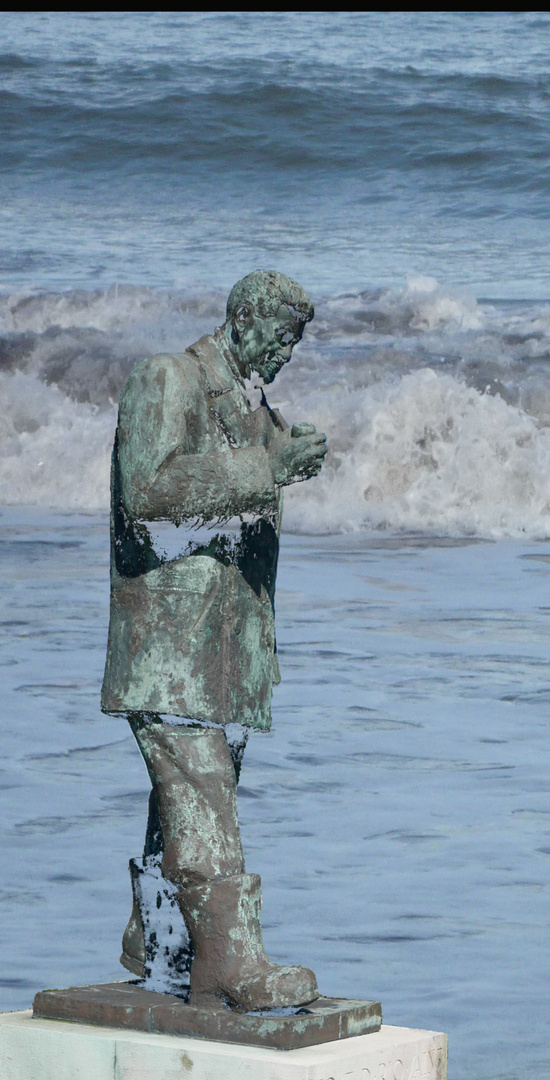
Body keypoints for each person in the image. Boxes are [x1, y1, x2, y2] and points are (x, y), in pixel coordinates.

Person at [101, 270, 327, 1011]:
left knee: (190, 797)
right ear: (245, 318)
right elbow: (149, 493)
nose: (288, 353)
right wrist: (266, 469)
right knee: (202, 795)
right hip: (170, 649)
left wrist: (278, 457)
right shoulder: (169, 378)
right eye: (284, 335)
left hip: (223, 659)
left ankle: (163, 946)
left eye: (298, 340)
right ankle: (230, 965)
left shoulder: (259, 416)